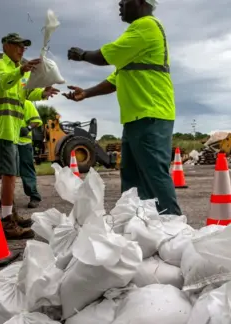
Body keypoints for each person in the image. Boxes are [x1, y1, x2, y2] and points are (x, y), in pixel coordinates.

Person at [62, 0, 182, 216]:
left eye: (125, 0)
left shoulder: (146, 25)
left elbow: (107, 55)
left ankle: (173, 227)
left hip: (151, 114)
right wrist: (86, 93)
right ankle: (136, 223)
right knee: (132, 179)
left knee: (154, 175)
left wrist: (82, 55)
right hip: (137, 117)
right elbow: (115, 79)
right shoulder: (137, 39)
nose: (120, 3)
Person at [0, 33, 59, 239]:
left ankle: (10, 214)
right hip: (2, 128)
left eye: (24, 47)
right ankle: (7, 222)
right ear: (6, 45)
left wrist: (43, 93)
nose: (22, 50)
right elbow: (3, 83)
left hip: (13, 130)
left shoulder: (20, 72)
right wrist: (21, 70)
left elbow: (26, 93)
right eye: (18, 46)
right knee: (9, 175)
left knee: (12, 174)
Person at [17, 98, 43, 208]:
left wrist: (27, 128)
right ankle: (7, 200)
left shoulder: (26, 103)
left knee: (27, 169)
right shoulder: (7, 104)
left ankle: (34, 196)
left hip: (23, 142)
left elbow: (36, 121)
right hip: (9, 142)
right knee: (8, 172)